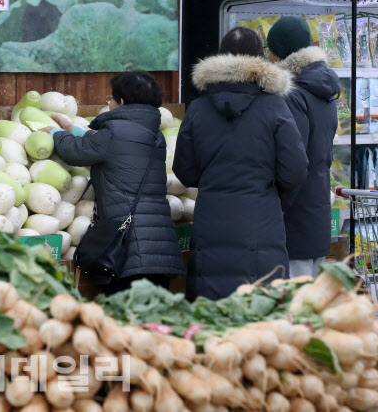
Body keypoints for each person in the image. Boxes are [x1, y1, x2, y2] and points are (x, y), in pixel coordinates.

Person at [173, 27, 309, 300]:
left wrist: (214, 181)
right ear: (260, 60)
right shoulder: (274, 107)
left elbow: (184, 171)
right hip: (262, 219)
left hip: (211, 218)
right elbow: (295, 169)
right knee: (260, 311)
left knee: (211, 316)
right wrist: (272, 198)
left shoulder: (198, 109)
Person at [40, 71, 184, 295]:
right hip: (159, 249)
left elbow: (77, 152)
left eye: (112, 99)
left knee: (124, 323)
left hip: (127, 251)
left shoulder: (115, 132)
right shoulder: (155, 135)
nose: (110, 103)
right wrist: (72, 129)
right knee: (155, 321)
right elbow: (106, 146)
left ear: (122, 102)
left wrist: (57, 133)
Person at [267, 17, 340, 278]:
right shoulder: (324, 88)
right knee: (309, 304)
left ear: (279, 51)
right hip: (317, 204)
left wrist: (276, 205)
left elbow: (292, 159)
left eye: (270, 49)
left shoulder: (293, 93)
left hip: (295, 215)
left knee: (294, 306)